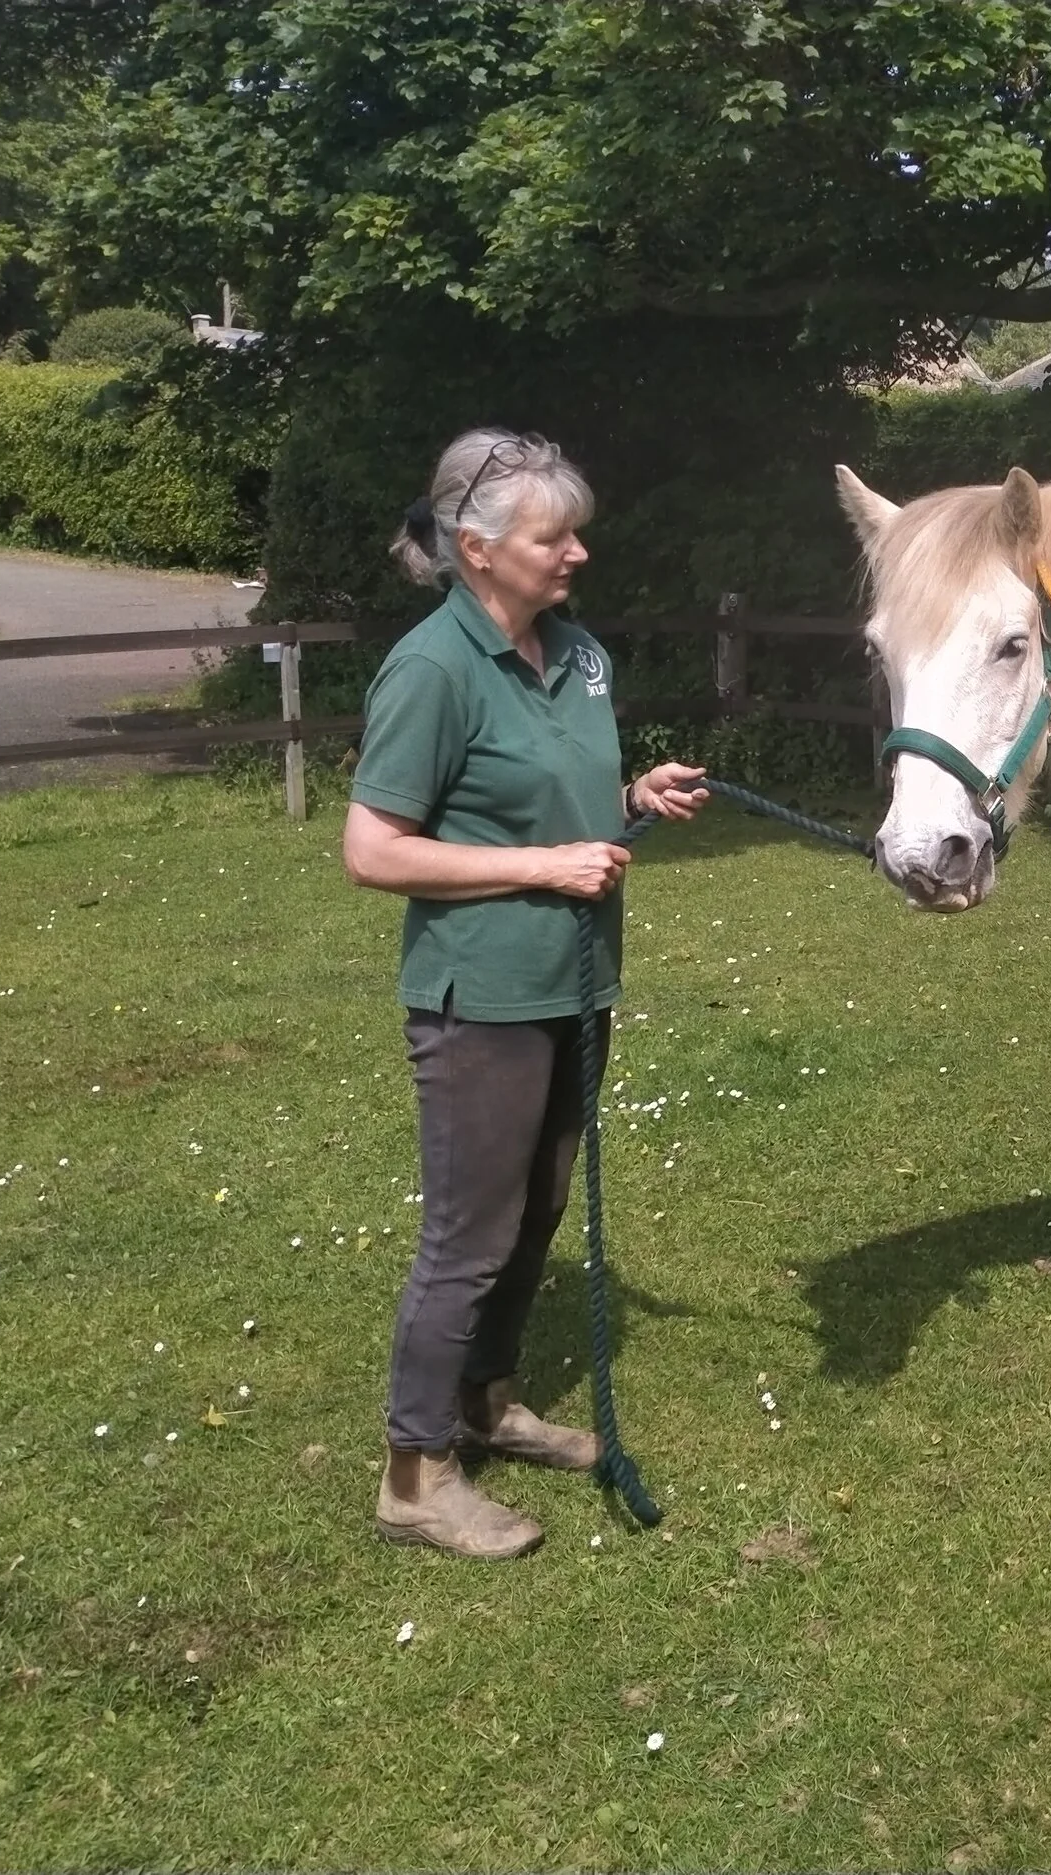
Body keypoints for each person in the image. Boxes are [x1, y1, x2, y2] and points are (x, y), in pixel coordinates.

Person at [343, 427, 707, 1559]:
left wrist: (630, 794)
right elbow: (373, 848)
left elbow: (566, 796)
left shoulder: (581, 655)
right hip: (481, 995)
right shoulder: (433, 669)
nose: (577, 553)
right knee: (469, 1234)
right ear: (478, 549)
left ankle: (485, 1403)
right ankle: (415, 1470)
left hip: (576, 983)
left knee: (536, 1212)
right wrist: (542, 867)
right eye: (553, 536)